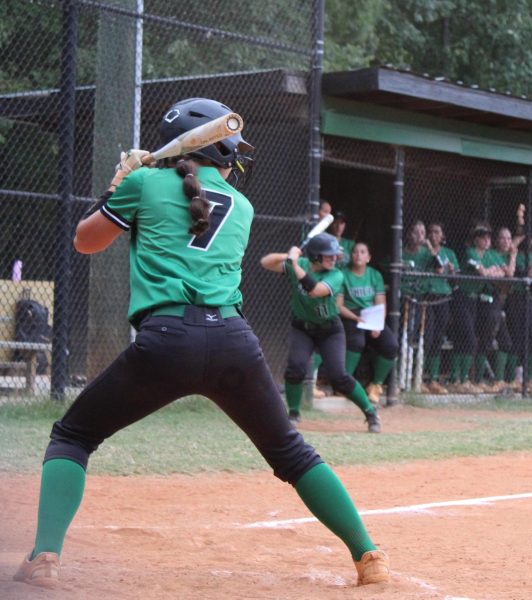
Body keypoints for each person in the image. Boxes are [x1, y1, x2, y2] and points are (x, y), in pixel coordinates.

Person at [13, 98, 389, 589]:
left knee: (73, 436)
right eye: (232, 155)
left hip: (166, 340)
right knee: (292, 454)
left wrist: (115, 187)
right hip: (234, 341)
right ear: (220, 153)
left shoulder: (145, 184)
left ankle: (44, 559)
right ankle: (368, 555)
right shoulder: (244, 207)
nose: (237, 164)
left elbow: (86, 240)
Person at [260, 233, 382, 433]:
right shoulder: (300, 263)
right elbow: (265, 262)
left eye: (335, 255)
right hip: (303, 328)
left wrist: (294, 264)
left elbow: (314, 290)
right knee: (295, 369)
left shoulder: (336, 275)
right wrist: (290, 255)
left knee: (339, 376)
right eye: (328, 255)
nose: (334, 258)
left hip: (330, 330)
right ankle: (293, 413)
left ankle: (370, 412)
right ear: (315, 256)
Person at [448, 223, 506, 394]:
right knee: (470, 338)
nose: (486, 239)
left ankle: (460, 379)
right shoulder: (470, 252)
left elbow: (503, 273)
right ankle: (459, 378)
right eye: (482, 236)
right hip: (462, 297)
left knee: (464, 339)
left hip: (474, 301)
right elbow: (482, 272)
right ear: (476, 239)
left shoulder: (488, 255)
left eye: (488, 236)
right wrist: (491, 271)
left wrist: (492, 271)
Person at [337, 242, 399, 405]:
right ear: (351, 256)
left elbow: (380, 304)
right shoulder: (343, 274)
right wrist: (355, 318)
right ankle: (344, 383)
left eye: (363, 252)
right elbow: (339, 306)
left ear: (368, 258)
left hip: (371, 315)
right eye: (355, 252)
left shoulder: (374, 275)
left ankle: (375, 385)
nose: (358, 255)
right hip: (350, 314)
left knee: (391, 344)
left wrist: (377, 324)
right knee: (357, 341)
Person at [423, 223, 460, 394]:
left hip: (443, 296)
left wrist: (452, 272)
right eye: (430, 232)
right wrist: (430, 250)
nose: (433, 235)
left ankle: (434, 378)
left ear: (442, 235)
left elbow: (456, 279)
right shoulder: (424, 251)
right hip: (427, 296)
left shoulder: (449, 253)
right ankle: (421, 376)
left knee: (438, 337)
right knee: (428, 336)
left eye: (437, 232)